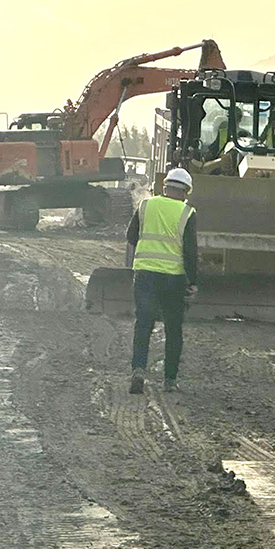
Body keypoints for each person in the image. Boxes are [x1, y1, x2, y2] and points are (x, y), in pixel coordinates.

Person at [126, 167, 198, 394]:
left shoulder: (146, 205)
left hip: (145, 275)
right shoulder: (187, 212)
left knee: (143, 324)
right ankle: (170, 380)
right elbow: (190, 252)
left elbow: (131, 236)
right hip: (173, 279)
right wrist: (193, 282)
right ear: (185, 192)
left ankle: (138, 370)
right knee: (174, 329)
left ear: (164, 187)